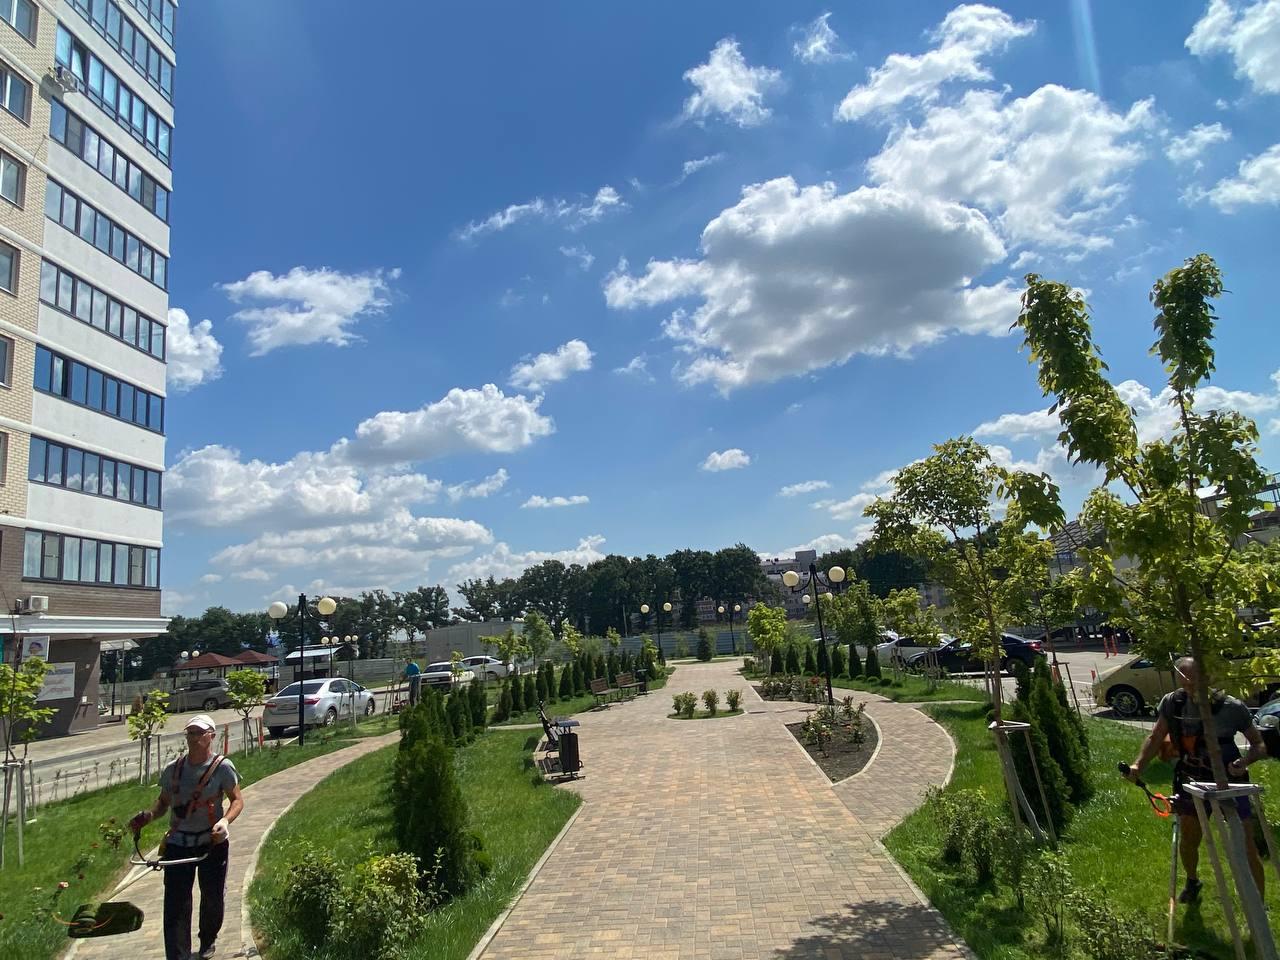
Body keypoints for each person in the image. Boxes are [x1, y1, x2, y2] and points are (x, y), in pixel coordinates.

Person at [1128, 657, 1266, 903]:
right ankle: (1192, 881)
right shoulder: (1173, 703)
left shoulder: (1231, 707)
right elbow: (1156, 736)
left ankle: (1259, 903)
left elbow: (1258, 744)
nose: (1191, 687)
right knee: (1189, 836)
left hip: (1229, 783)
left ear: (1207, 678)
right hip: (1191, 780)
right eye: (1186, 681)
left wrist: (1244, 762)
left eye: (1196, 680)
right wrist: (1139, 765)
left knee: (1246, 844)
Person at [129, 714, 243, 960]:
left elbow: (237, 800)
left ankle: (208, 939)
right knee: (176, 904)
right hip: (179, 843)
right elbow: (163, 803)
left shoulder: (222, 767)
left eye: (199, 733)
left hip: (211, 843)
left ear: (211, 736)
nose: (194, 738)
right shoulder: (174, 769)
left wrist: (224, 822)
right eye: (190, 733)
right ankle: (178, 955)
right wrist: (148, 816)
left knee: (212, 898)